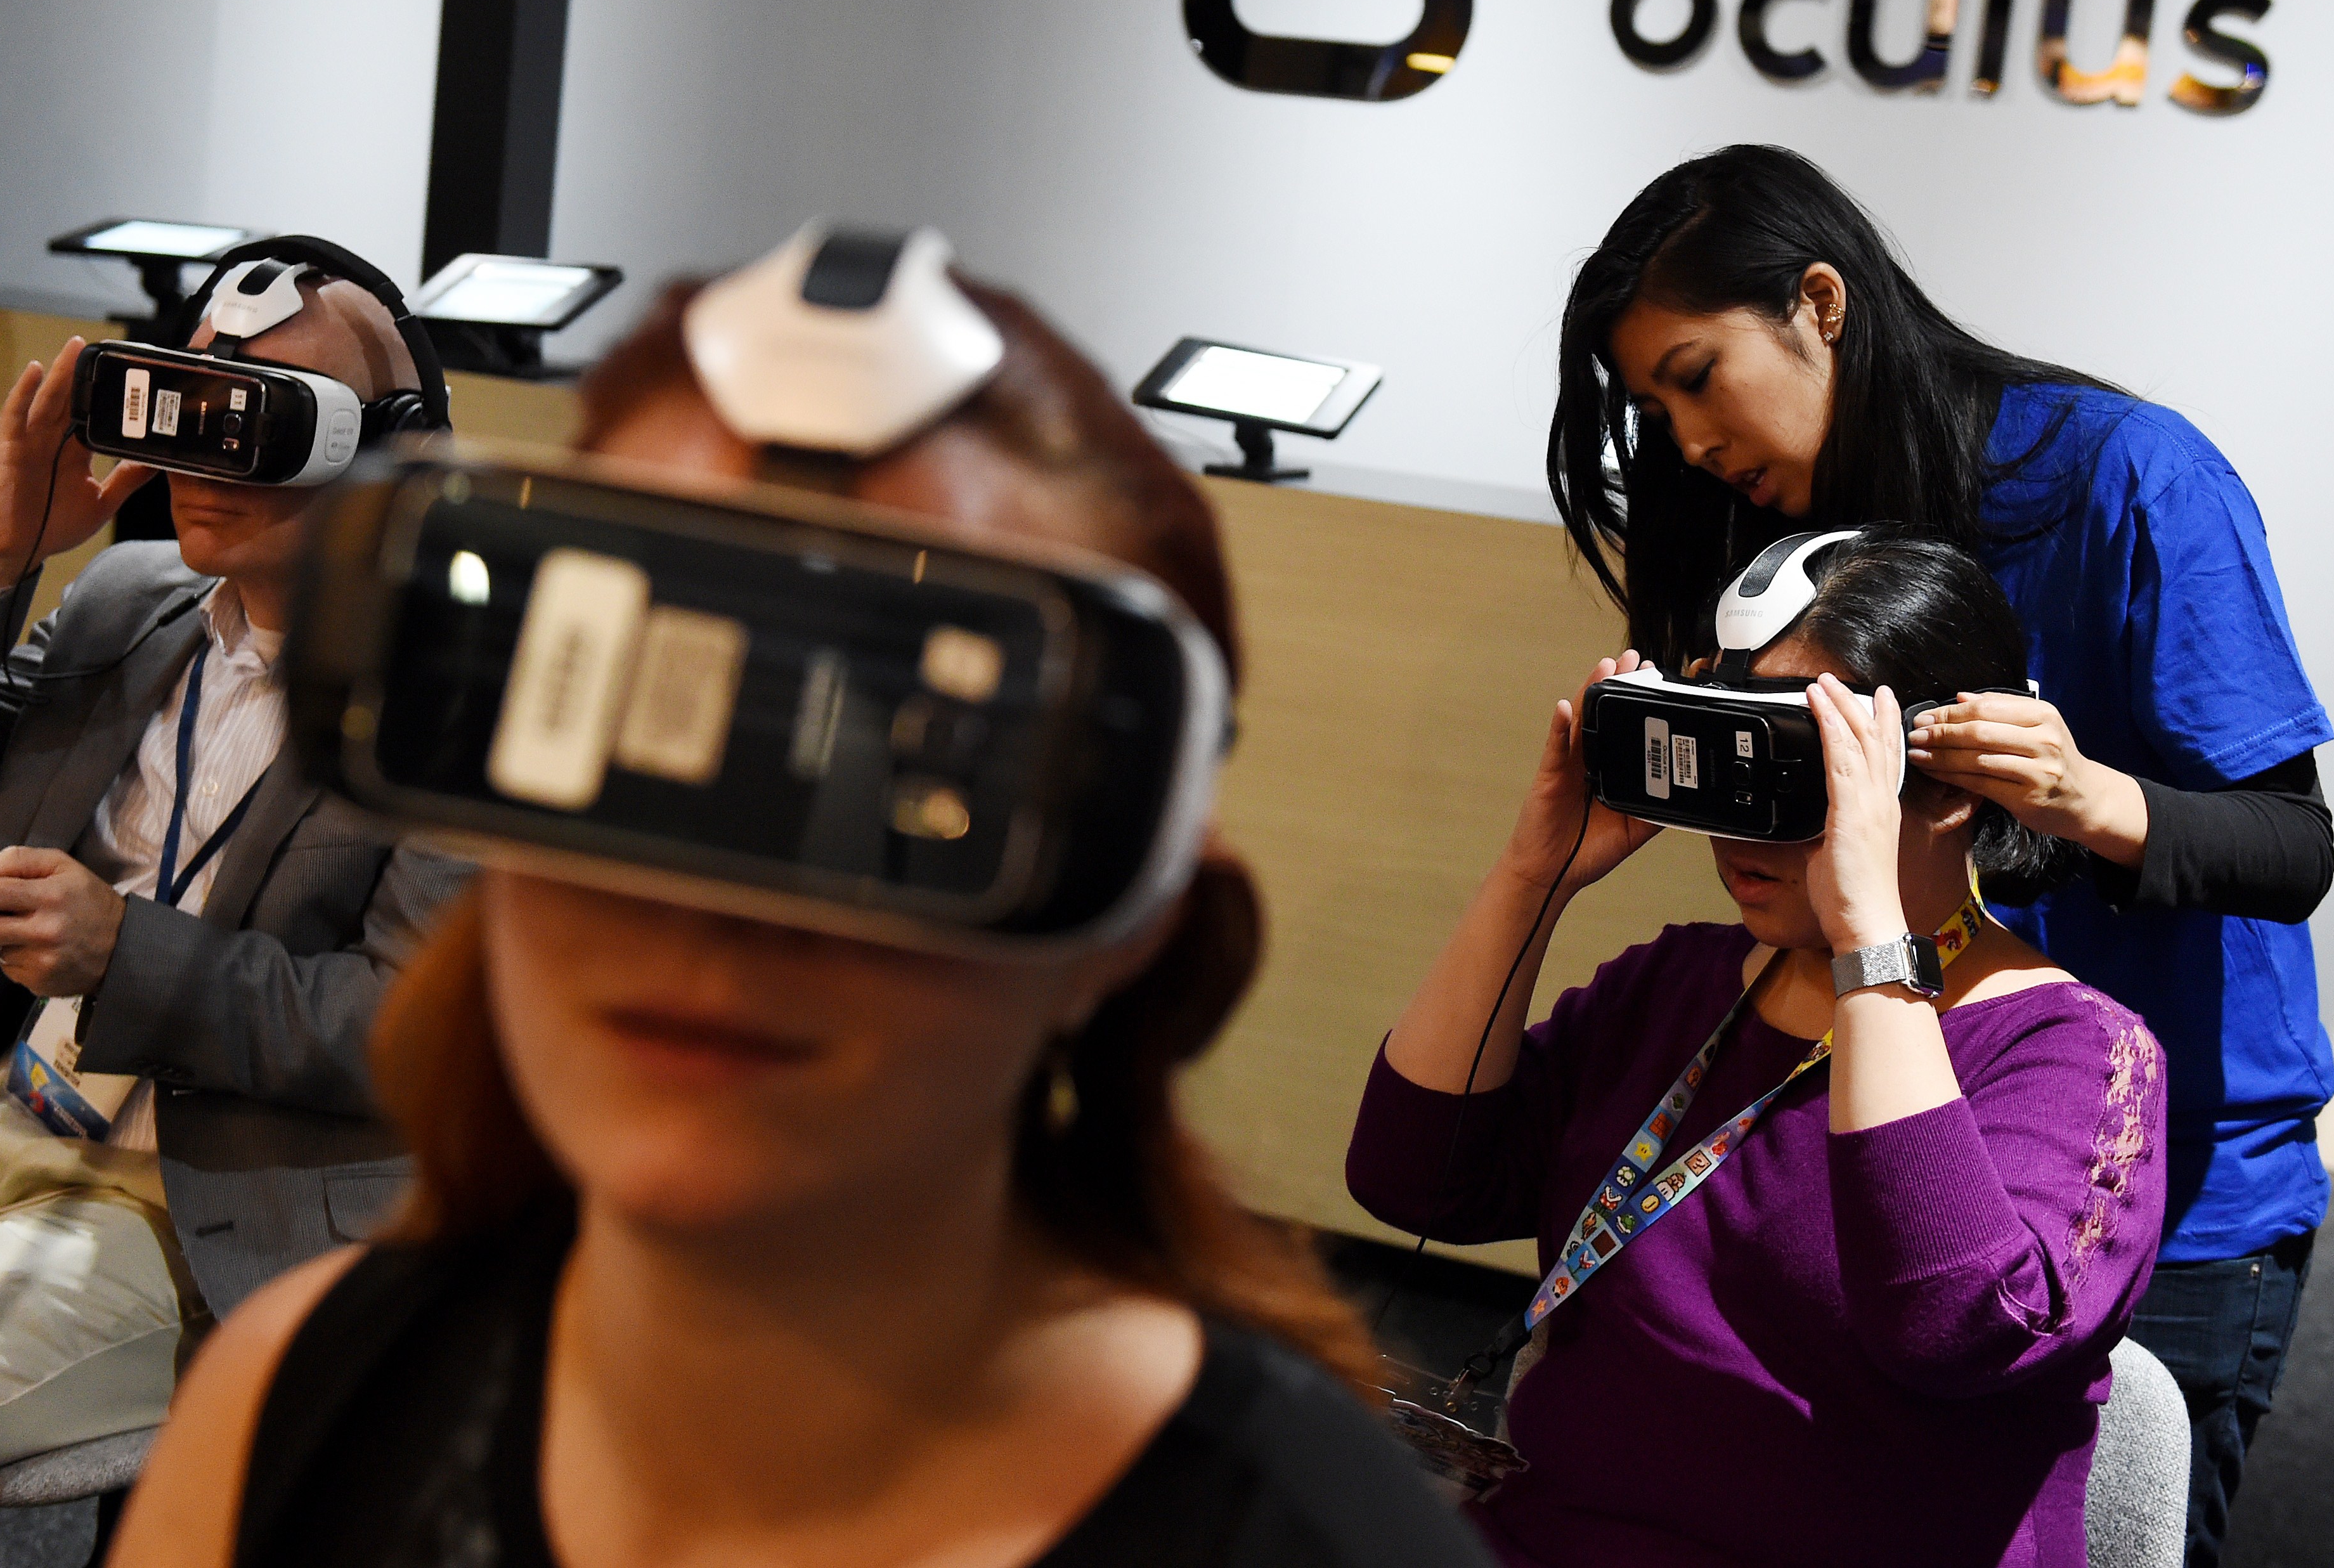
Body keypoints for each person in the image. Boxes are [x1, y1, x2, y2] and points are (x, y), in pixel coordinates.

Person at [110, 272, 1498, 1568]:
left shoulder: (1314, 1537)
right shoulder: (300, 1404)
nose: (711, 920)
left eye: (905, 787)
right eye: (625, 732)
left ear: (1125, 921)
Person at [1545, 145, 2333, 1564]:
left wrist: (2091, 799)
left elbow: (2288, 847)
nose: (1680, 436)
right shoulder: (1759, 537)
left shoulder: (2123, 477)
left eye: (1693, 374)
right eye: (1646, 403)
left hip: (2161, 1176)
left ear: (1820, 304)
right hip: (1872, 1150)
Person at [1348, 531, 2167, 1567]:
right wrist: (1532, 875)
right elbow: (1411, 1180)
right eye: (1731, 752)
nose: (1742, 828)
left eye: (1805, 770)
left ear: (1952, 786)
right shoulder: (1680, 984)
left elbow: (1954, 1327)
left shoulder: (2076, 1056)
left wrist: (1872, 933)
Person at [0, 271, 470, 1474]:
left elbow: (410, 1032)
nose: (209, 458)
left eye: (266, 423)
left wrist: (123, 953)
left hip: (208, 1207)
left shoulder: (453, 706)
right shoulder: (124, 602)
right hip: (0, 1124)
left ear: (390, 456)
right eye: (188, 406)